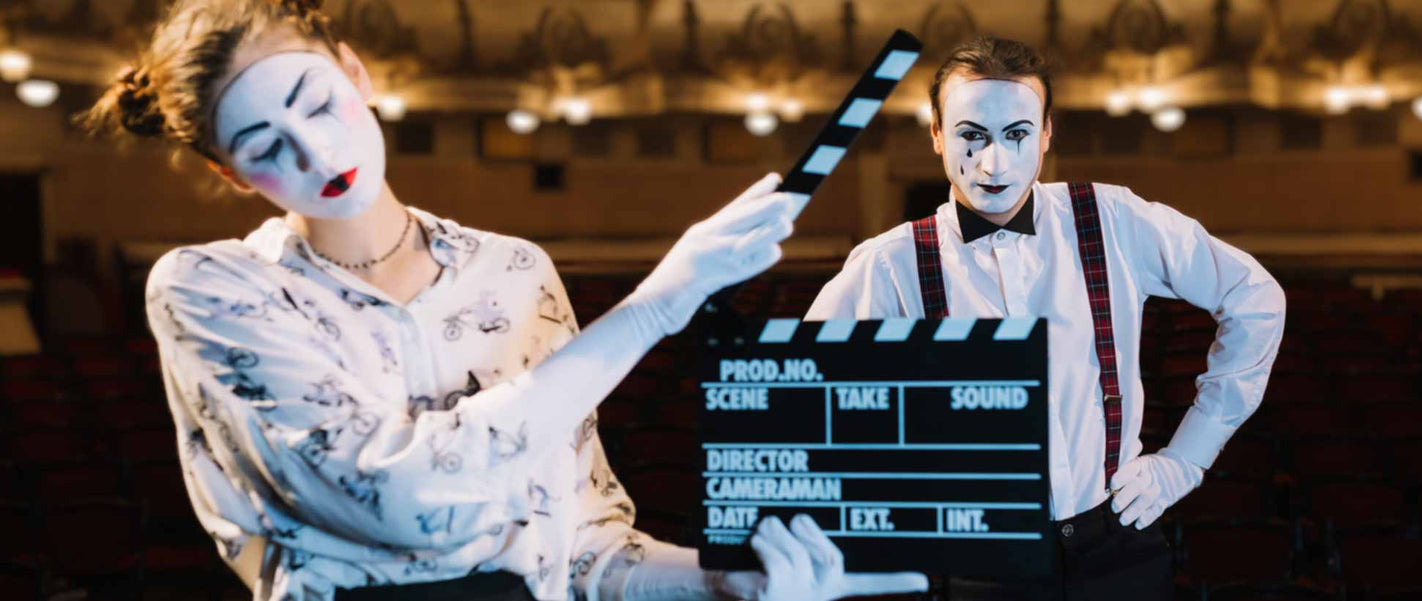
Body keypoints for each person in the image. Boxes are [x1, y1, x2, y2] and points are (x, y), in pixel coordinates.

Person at [83, 1, 929, 600]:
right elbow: (405, 498)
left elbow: (587, 549)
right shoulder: (212, 289)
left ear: (355, 72)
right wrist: (654, 307)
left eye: (318, 103)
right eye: (265, 145)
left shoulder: (517, 271)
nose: (315, 151)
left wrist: (723, 580)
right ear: (230, 173)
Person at [805, 36, 1286, 600]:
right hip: (977, 563)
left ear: (1047, 133)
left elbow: (1255, 296)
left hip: (1118, 546)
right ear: (936, 134)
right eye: (971, 135)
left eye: (1017, 134)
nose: (994, 164)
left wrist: (1186, 458)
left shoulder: (1113, 218)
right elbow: (800, 396)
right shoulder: (889, 264)